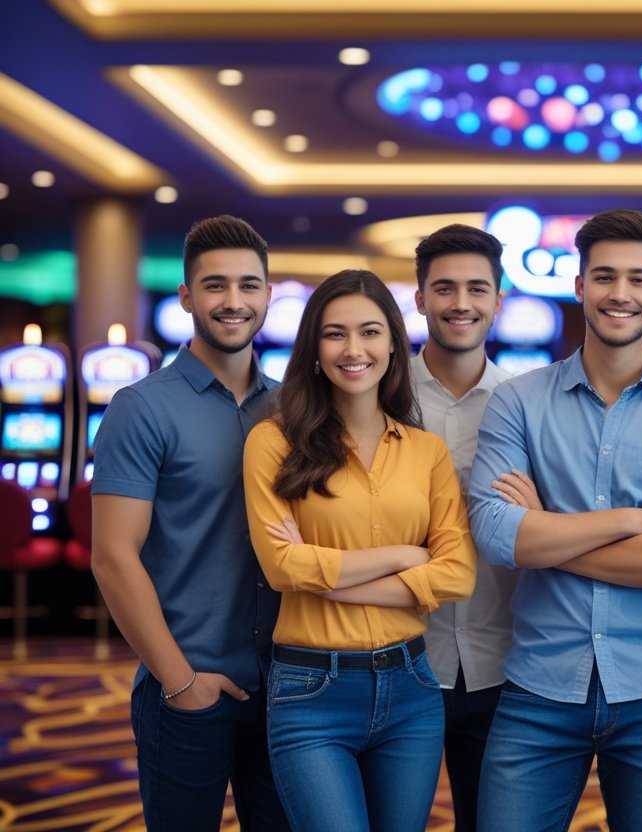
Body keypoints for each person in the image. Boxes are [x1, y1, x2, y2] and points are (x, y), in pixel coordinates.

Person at [469, 209, 642, 832]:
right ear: (580, 284)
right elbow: (494, 533)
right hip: (538, 687)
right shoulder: (517, 400)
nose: (621, 294)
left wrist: (546, 532)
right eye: (606, 277)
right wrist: (636, 521)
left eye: (639, 279)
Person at [243, 269, 477, 832]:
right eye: (335, 334)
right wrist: (404, 556)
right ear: (314, 349)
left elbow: (458, 575)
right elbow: (281, 567)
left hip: (412, 688)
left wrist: (326, 575)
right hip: (310, 691)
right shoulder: (272, 442)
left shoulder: (427, 451)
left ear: (394, 343)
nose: (354, 350)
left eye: (370, 332)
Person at [91, 215, 290, 831]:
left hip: (290, 688)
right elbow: (113, 556)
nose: (234, 302)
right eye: (215, 286)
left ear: (267, 294)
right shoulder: (141, 407)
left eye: (249, 286)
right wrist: (181, 684)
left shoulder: (294, 406)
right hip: (186, 687)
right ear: (185, 297)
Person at [410, 224, 517, 832]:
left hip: (505, 665)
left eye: (477, 288)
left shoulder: (527, 401)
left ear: (499, 299)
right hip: (398, 661)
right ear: (420, 297)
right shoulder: (378, 394)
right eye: (444, 288)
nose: (461, 303)